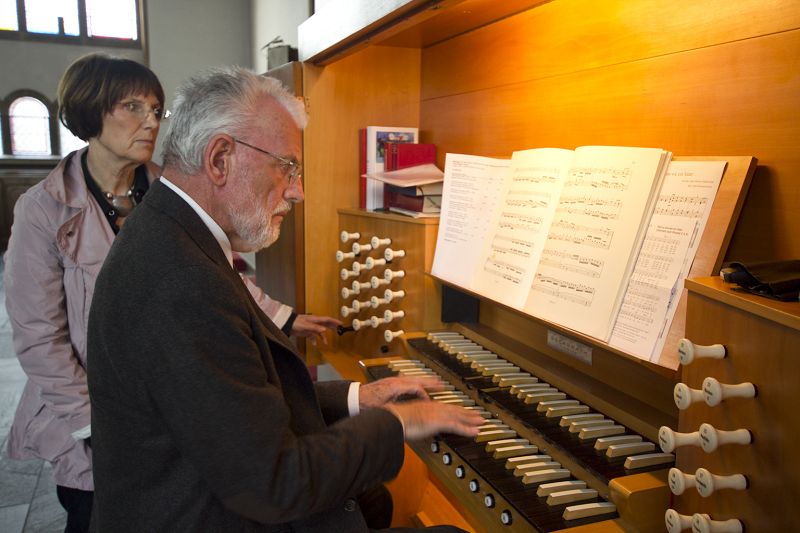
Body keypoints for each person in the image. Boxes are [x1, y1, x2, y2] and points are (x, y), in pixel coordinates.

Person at [86, 66, 484, 532]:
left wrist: (359, 397)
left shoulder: (172, 233)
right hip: (204, 517)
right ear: (220, 159)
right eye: (287, 167)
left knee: (376, 505)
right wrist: (398, 424)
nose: (298, 191)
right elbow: (274, 484)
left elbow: (232, 398)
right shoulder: (180, 280)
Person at [1, 54, 339, 533]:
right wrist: (100, 426)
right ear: (90, 110)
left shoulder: (169, 187)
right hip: (89, 415)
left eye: (157, 110)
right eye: (132, 107)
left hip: (170, 405)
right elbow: (39, 336)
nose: (151, 123)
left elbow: (214, 270)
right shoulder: (42, 209)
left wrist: (286, 318)